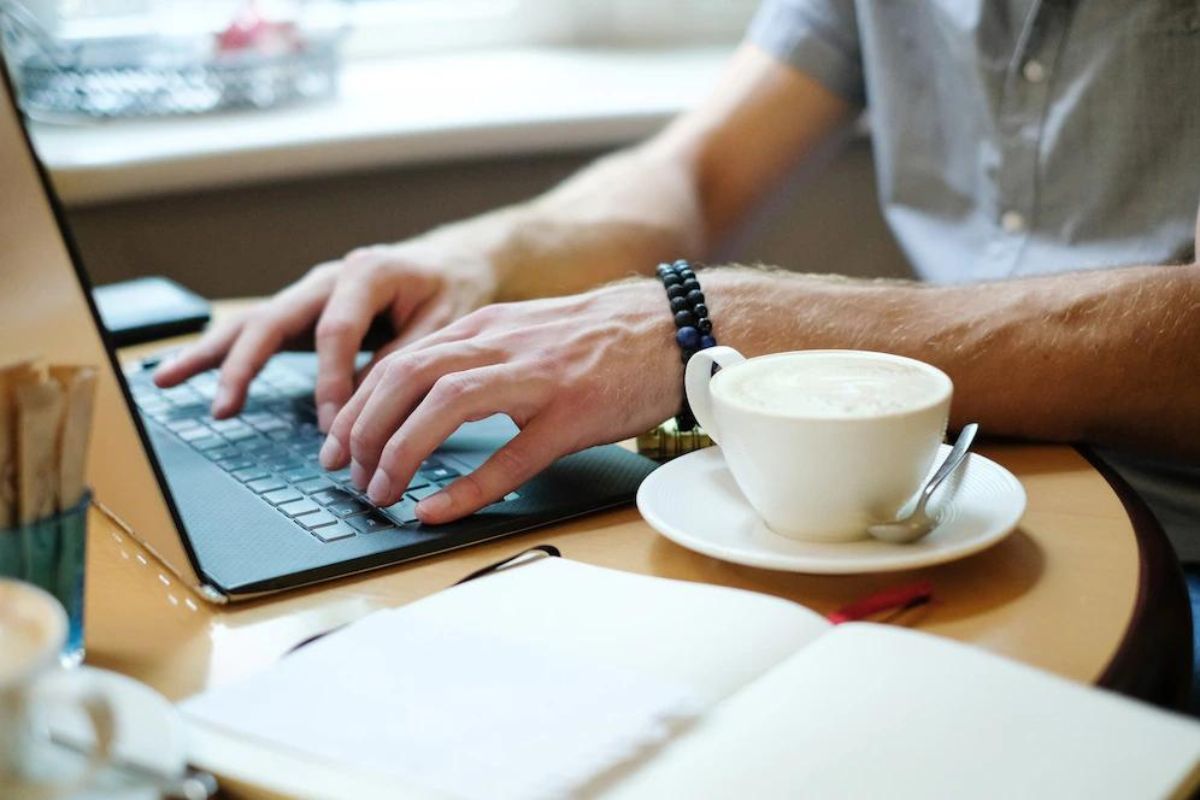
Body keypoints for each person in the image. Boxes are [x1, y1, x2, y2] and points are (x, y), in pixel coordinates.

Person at [155, 1, 1200, 560]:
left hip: (1170, 545)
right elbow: (696, 171)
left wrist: (710, 317)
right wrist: (474, 255)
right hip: (914, 487)